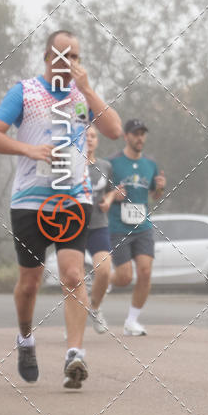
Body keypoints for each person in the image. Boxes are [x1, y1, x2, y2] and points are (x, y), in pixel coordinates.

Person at [0, 29, 122, 388]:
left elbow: (114, 129)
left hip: (73, 200)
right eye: (63, 56)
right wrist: (29, 150)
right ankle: (25, 339)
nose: (70, 63)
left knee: (72, 275)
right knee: (29, 284)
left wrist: (90, 90)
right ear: (48, 58)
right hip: (30, 202)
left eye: (76, 56)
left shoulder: (83, 96)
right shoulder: (25, 92)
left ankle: (74, 355)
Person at [108, 119, 166, 336]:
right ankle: (103, 280)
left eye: (142, 134)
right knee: (124, 277)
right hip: (118, 226)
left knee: (145, 271)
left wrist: (160, 188)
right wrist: (113, 195)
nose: (140, 138)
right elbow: (99, 192)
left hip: (143, 225)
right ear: (126, 136)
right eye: (135, 134)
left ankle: (131, 322)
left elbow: (155, 195)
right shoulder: (111, 163)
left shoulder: (150, 164)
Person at [84, 126, 117, 334]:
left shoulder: (105, 166)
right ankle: (74, 322)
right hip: (73, 228)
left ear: (97, 141)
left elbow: (112, 191)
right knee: (74, 278)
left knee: (104, 271)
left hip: (98, 226)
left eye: (93, 136)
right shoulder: (68, 165)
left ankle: (94, 308)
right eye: (85, 135)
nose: (89, 139)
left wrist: (109, 200)